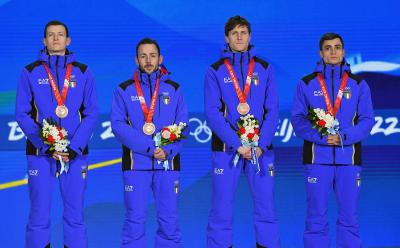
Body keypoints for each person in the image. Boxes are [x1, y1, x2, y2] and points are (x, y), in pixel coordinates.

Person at [15, 20, 98, 248]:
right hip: (40, 153)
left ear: (68, 40)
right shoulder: (30, 72)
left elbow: (91, 113)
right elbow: (22, 114)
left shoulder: (83, 72)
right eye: (50, 35)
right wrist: (46, 144)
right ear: (44, 41)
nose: (55, 38)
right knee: (39, 213)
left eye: (60, 34)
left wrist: (74, 148)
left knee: (75, 213)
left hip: (75, 154)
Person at [291, 33, 375, 248]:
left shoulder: (358, 84)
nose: (333, 51)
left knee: (350, 219)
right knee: (316, 219)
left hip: (349, 160)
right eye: (328, 48)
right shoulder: (306, 83)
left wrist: (344, 137)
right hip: (317, 160)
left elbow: (367, 120)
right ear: (321, 53)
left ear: (344, 51)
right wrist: (321, 137)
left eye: (337, 47)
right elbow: (298, 120)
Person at [204, 16, 281, 248]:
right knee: (221, 210)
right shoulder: (215, 71)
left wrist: (260, 144)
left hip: (261, 150)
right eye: (234, 32)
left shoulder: (265, 68)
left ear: (250, 36)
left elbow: (272, 110)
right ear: (227, 38)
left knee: (266, 208)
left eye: (244, 32)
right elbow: (212, 112)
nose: (239, 36)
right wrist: (237, 143)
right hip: (227, 150)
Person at [111, 38, 188, 248]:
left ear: (160, 59)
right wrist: (151, 148)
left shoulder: (174, 89)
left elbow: (182, 125)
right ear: (136, 60)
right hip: (136, 165)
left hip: (167, 164)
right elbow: (118, 126)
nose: (148, 60)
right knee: (134, 222)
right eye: (143, 56)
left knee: (169, 222)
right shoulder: (124, 90)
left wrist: (168, 150)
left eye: (152, 55)